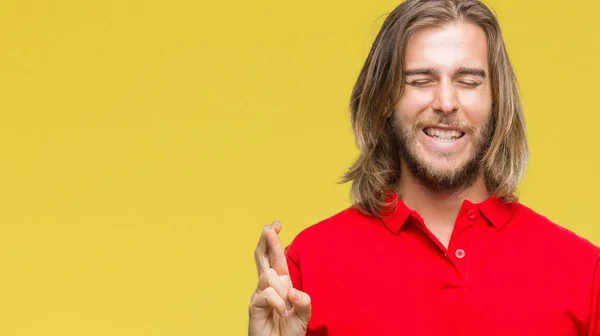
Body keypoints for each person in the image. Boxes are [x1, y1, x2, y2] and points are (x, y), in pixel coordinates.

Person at [247, 0, 600, 335]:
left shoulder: (585, 273)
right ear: (385, 98)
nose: (446, 102)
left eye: (468, 81)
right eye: (420, 80)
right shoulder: (309, 265)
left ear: (497, 100)